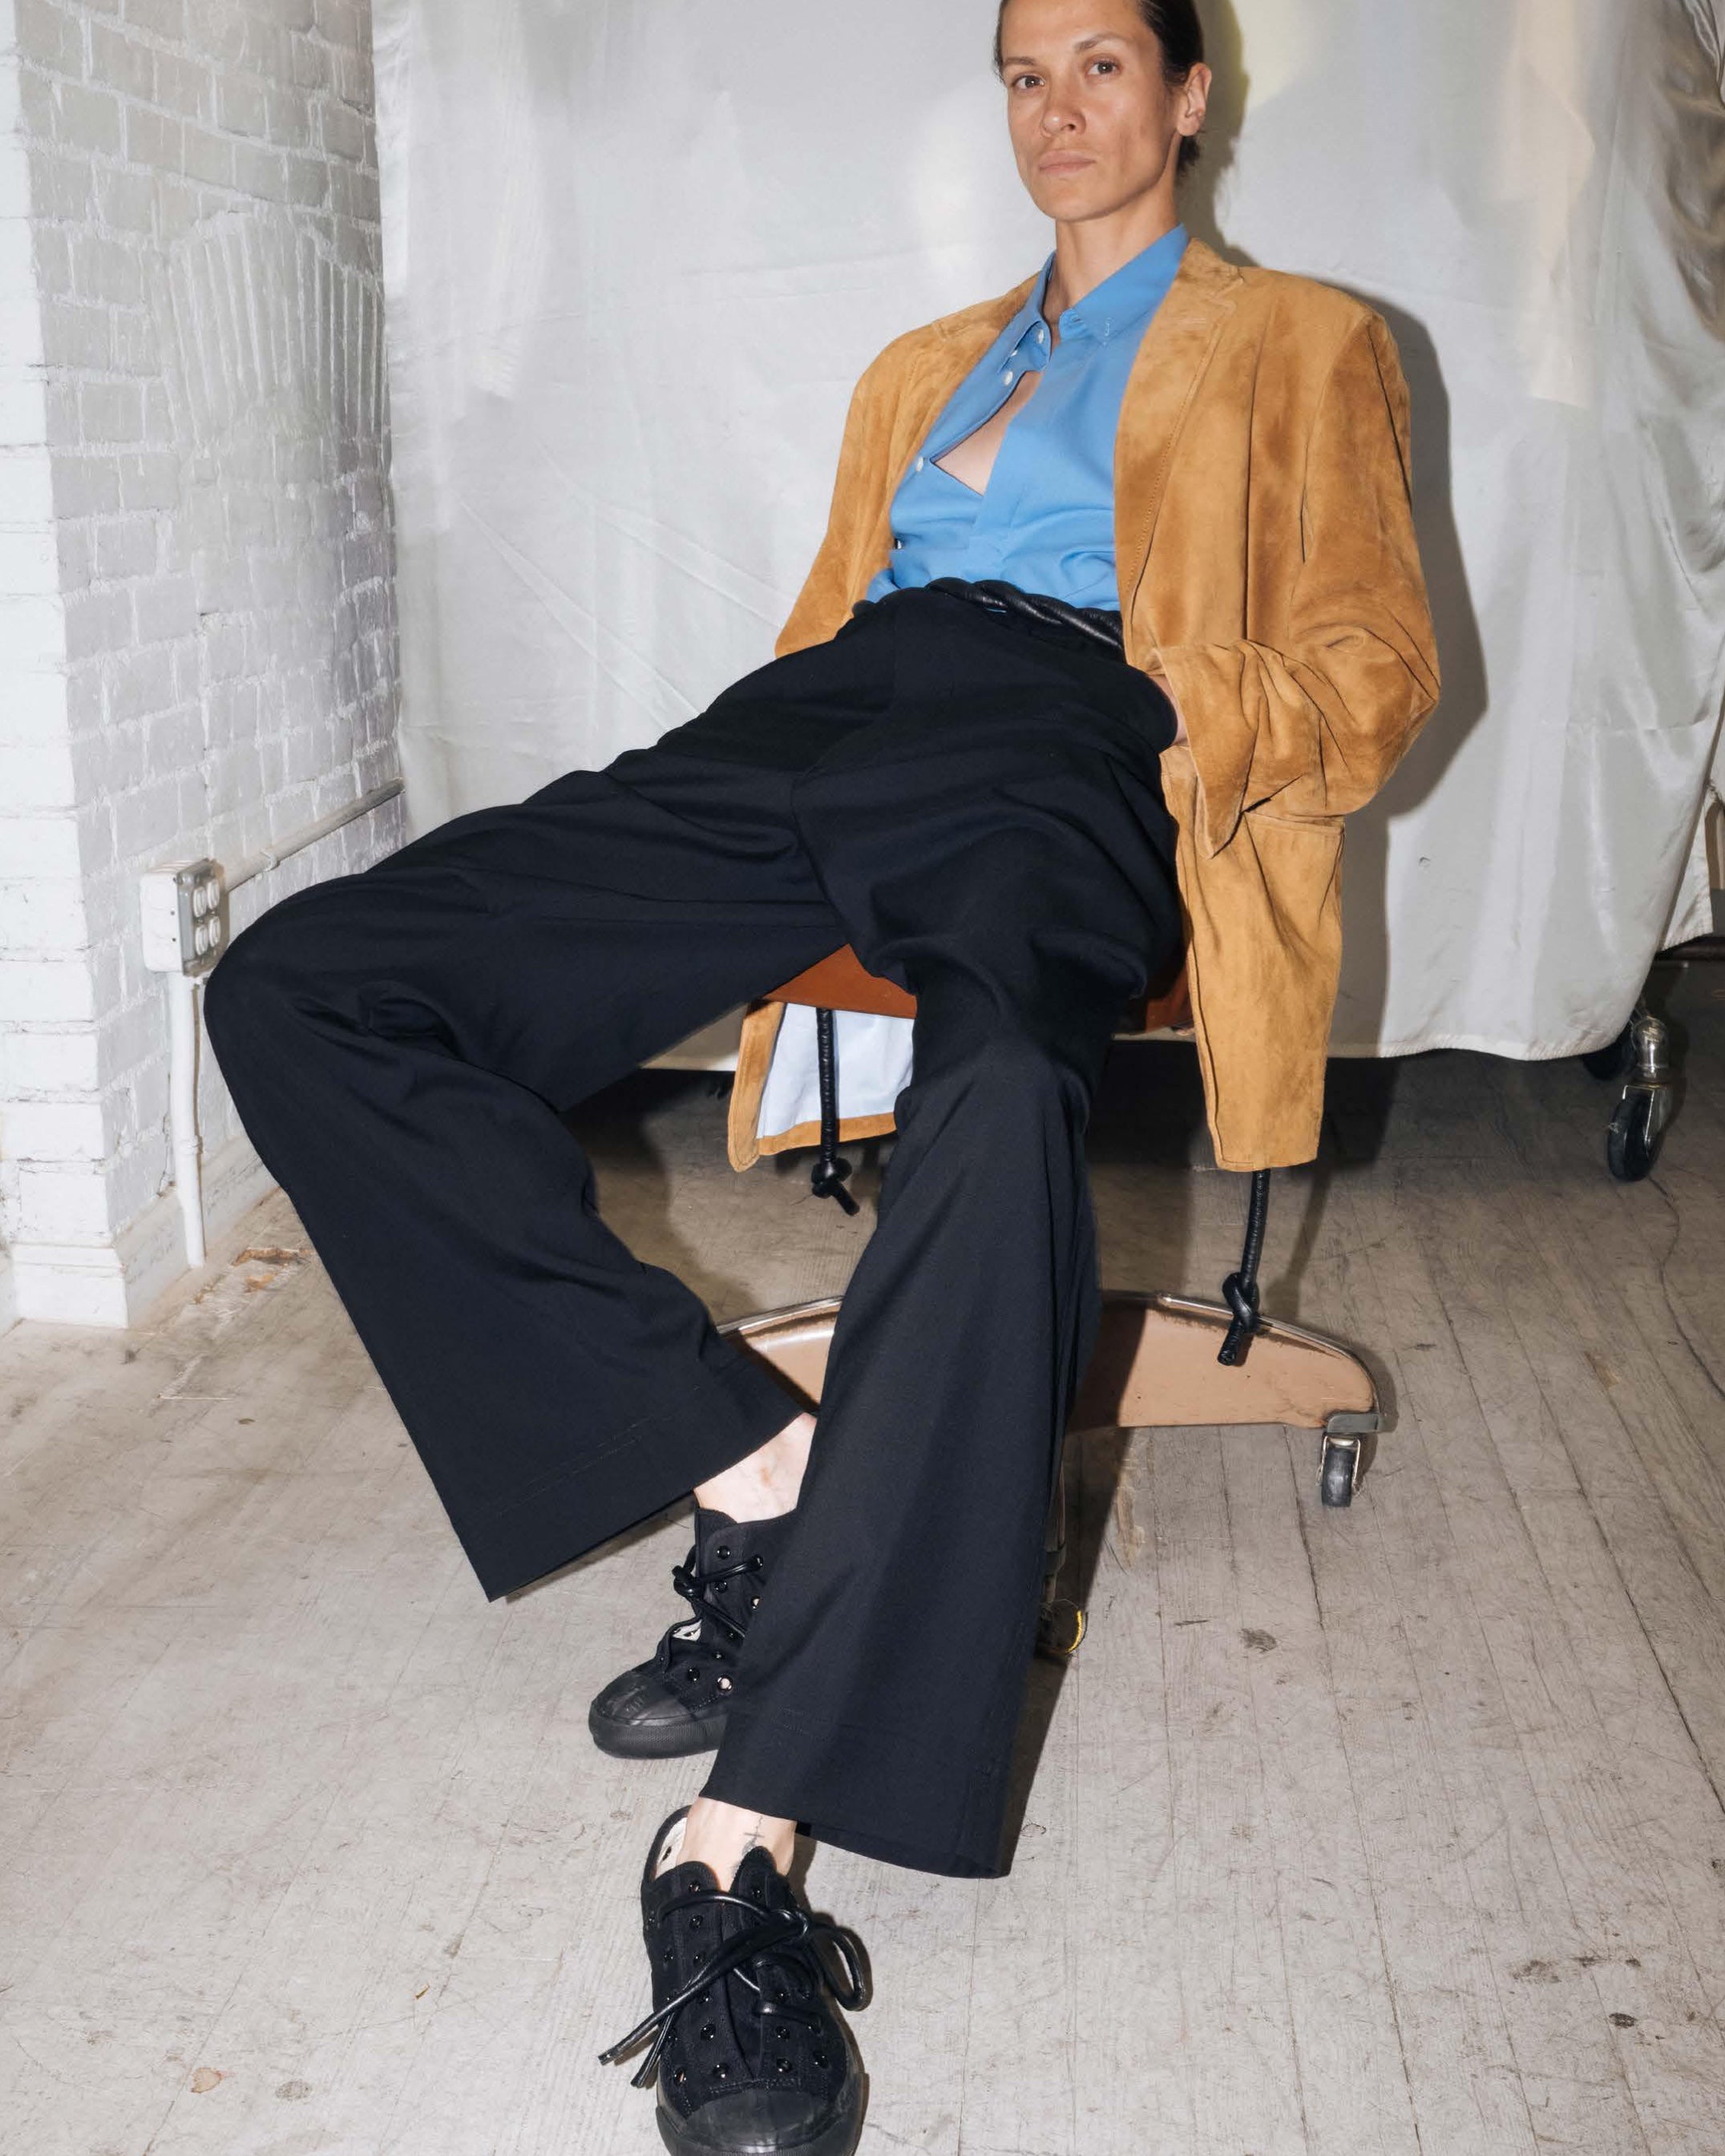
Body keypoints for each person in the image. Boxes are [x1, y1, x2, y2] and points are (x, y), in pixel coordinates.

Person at [205, 0, 1440, 2149]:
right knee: (308, 983)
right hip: (817, 722)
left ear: (1189, 94)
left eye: (1103, 66)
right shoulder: (920, 366)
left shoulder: (1303, 339)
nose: (1060, 109)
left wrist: (1177, 717)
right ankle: (759, 1460)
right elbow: (826, 614)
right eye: (1025, 74)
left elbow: (1378, 665)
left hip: (1075, 731)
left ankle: (742, 1844)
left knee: (1002, 1094)